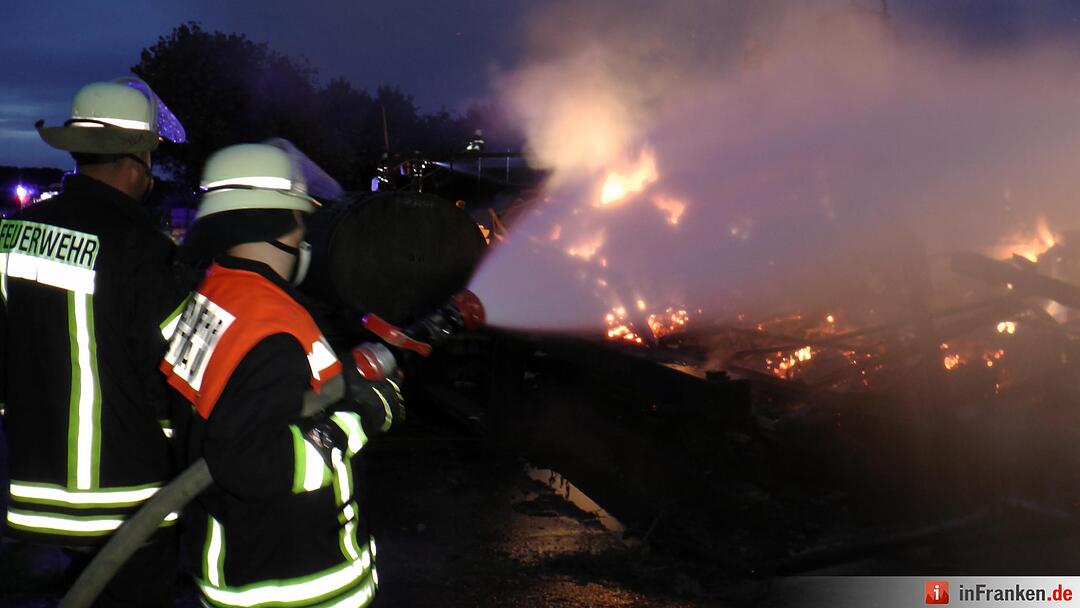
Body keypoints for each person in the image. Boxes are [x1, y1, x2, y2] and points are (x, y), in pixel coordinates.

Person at [161, 139, 403, 608]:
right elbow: (255, 463)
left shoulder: (217, 292)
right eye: (298, 220)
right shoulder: (271, 326)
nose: (303, 237)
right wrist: (363, 415)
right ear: (272, 224)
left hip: (236, 559)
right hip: (294, 581)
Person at [0, 77, 192, 604]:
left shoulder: (12, 233)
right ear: (138, 159)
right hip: (130, 502)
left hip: (32, 494)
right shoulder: (143, 249)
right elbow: (184, 368)